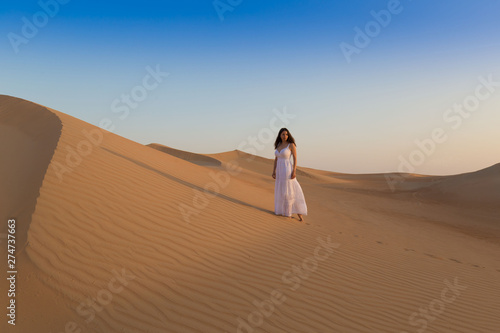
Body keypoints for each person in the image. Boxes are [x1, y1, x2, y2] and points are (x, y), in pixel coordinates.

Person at [272, 128, 308, 221]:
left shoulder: (291, 145)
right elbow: (276, 159)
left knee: (290, 191)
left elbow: (295, 159)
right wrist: (274, 171)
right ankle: (281, 211)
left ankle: (293, 213)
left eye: (286, 134)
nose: (285, 136)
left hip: (287, 168)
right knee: (281, 190)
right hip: (279, 170)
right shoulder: (278, 145)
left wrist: (294, 171)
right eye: (283, 134)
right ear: (280, 135)